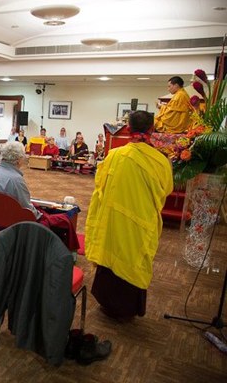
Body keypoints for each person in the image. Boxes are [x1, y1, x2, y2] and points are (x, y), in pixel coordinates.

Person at [86, 111, 173, 319]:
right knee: (134, 259)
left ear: (129, 129)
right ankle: (127, 308)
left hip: (113, 220)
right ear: (152, 130)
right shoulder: (161, 161)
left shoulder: (115, 155)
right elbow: (167, 190)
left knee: (111, 255)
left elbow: (100, 186)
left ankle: (107, 303)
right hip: (139, 223)